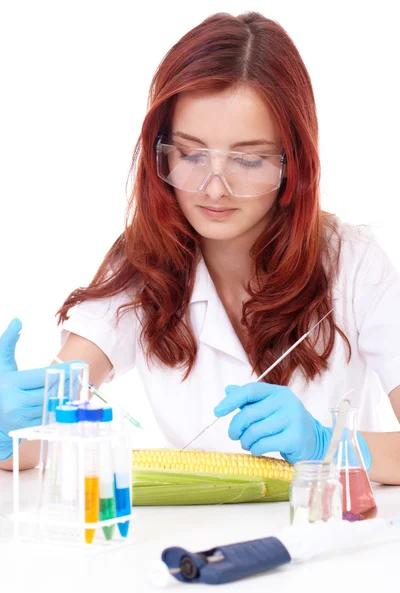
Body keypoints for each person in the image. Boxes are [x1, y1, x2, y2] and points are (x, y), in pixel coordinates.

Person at [1, 11, 400, 484]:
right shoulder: (144, 261)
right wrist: (9, 426)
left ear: (293, 164)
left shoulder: (354, 263)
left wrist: (326, 443)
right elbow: (29, 448)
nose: (214, 189)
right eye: (190, 154)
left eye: (248, 159)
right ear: (160, 149)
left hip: (333, 536)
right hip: (195, 547)